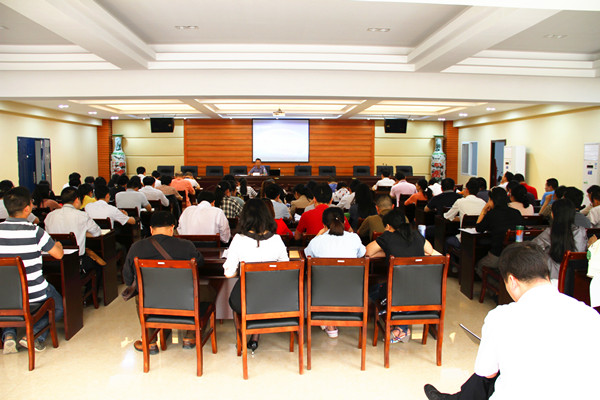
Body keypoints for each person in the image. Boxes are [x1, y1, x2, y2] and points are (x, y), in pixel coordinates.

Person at [424, 242, 600, 400]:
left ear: (512, 281)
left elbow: (486, 372)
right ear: (546, 275)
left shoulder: (501, 317)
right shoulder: (590, 315)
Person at [121, 211, 207, 354]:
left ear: (151, 229)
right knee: (205, 292)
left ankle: (150, 341)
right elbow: (200, 263)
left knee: (139, 296)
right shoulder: (186, 246)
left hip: (151, 302)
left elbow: (128, 279)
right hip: (183, 300)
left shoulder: (136, 247)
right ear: (172, 228)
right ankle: (190, 336)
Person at [0, 186, 64, 353]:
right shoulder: (35, 231)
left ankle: (9, 335)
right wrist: (58, 245)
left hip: (3, 294)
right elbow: (58, 255)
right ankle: (33, 336)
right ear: (27, 208)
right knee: (58, 307)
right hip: (34, 293)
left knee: (9, 300)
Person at [223, 199, 289, 352]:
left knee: (238, 300)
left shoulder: (239, 240)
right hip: (273, 298)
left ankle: (240, 338)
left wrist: (240, 270)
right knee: (260, 297)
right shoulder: (277, 239)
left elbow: (228, 273)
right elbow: (285, 268)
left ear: (245, 217)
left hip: (246, 299)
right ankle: (255, 337)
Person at [365, 208, 437, 343]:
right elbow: (429, 250)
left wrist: (388, 252)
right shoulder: (416, 234)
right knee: (399, 290)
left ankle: (399, 326)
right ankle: (400, 325)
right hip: (423, 293)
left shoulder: (388, 237)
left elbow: (368, 252)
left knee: (372, 290)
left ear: (388, 226)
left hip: (397, 294)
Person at [304, 207, 366, 338]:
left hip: (322, 293)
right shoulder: (354, 238)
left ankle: (329, 322)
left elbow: (307, 255)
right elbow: (362, 254)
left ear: (323, 224)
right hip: (351, 291)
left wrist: (318, 235)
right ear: (344, 221)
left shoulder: (317, 241)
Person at [44, 187, 103, 275]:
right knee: (98, 267)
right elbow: (97, 233)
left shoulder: (50, 216)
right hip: (77, 262)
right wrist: (83, 233)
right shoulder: (82, 216)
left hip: (55, 262)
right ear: (77, 200)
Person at [532, 198, 587, 281]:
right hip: (576, 280)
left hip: (552, 278)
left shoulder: (550, 232)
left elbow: (532, 247)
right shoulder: (581, 231)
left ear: (552, 214)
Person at [475, 187, 523, 276]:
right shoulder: (516, 213)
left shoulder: (492, 214)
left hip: (498, 255)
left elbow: (478, 228)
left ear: (492, 200)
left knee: (480, 265)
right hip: (516, 254)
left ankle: (496, 283)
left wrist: (483, 211)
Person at [443, 178, 486, 251]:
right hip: (478, 240)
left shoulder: (460, 201)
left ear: (467, 190)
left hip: (463, 240)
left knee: (447, 240)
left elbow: (447, 216)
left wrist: (459, 218)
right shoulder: (483, 203)